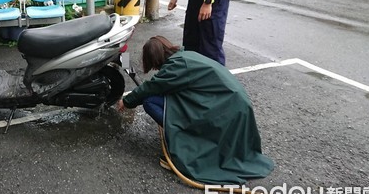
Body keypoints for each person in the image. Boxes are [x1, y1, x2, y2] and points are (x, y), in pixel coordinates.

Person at [117, 36, 274, 185]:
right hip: (233, 103)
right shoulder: (184, 57)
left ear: (155, 58)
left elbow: (151, 87)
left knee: (149, 102)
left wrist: (127, 101)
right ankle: (182, 133)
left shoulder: (176, 68)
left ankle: (184, 139)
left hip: (226, 108)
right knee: (164, 96)